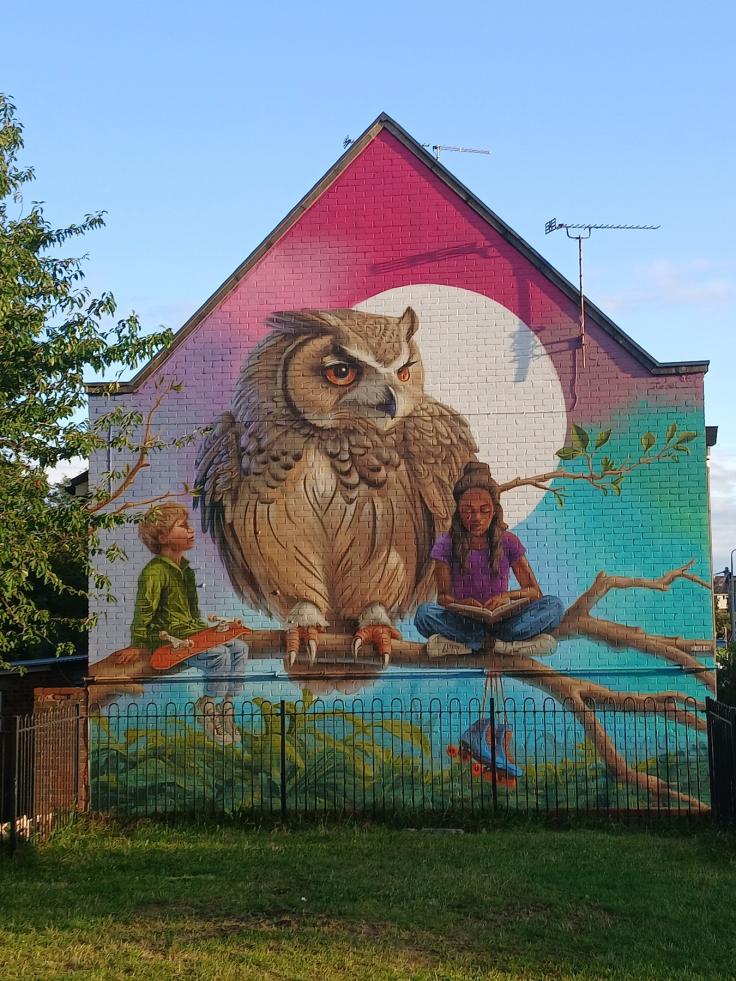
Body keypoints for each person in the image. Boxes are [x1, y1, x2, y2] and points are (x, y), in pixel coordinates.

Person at [119, 503, 249, 744]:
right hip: (171, 639)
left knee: (240, 648)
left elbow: (191, 612)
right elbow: (143, 610)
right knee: (219, 655)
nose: (190, 531)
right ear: (163, 537)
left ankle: (227, 706)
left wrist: (209, 632)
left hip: (191, 631)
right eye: (183, 526)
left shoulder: (185, 568)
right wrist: (137, 643)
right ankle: (207, 704)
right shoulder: (155, 572)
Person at [415, 462, 564, 657]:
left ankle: (471, 645)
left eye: (484, 510)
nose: (476, 517)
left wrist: (506, 598)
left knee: (554, 606)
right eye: (468, 510)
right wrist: (463, 604)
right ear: (459, 511)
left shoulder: (508, 541)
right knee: (424, 614)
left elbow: (534, 592)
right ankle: (502, 645)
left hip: (505, 622)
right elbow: (443, 597)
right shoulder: (446, 544)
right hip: (464, 621)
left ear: (494, 511)